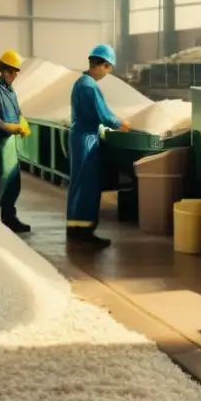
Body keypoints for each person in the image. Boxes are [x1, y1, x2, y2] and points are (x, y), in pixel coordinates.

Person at [67, 44, 129, 248]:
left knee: (78, 184)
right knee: (88, 185)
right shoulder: (89, 86)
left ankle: (74, 229)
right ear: (101, 65)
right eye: (108, 67)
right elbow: (104, 115)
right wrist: (122, 124)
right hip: (87, 140)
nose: (108, 72)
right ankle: (85, 233)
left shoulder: (80, 82)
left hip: (80, 137)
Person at [0, 50, 32, 233]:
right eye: (12, 71)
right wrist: (11, 127)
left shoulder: (10, 93)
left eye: (16, 72)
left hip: (9, 141)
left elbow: (17, 113)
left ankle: (9, 218)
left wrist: (22, 122)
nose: (14, 75)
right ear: (3, 70)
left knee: (13, 180)